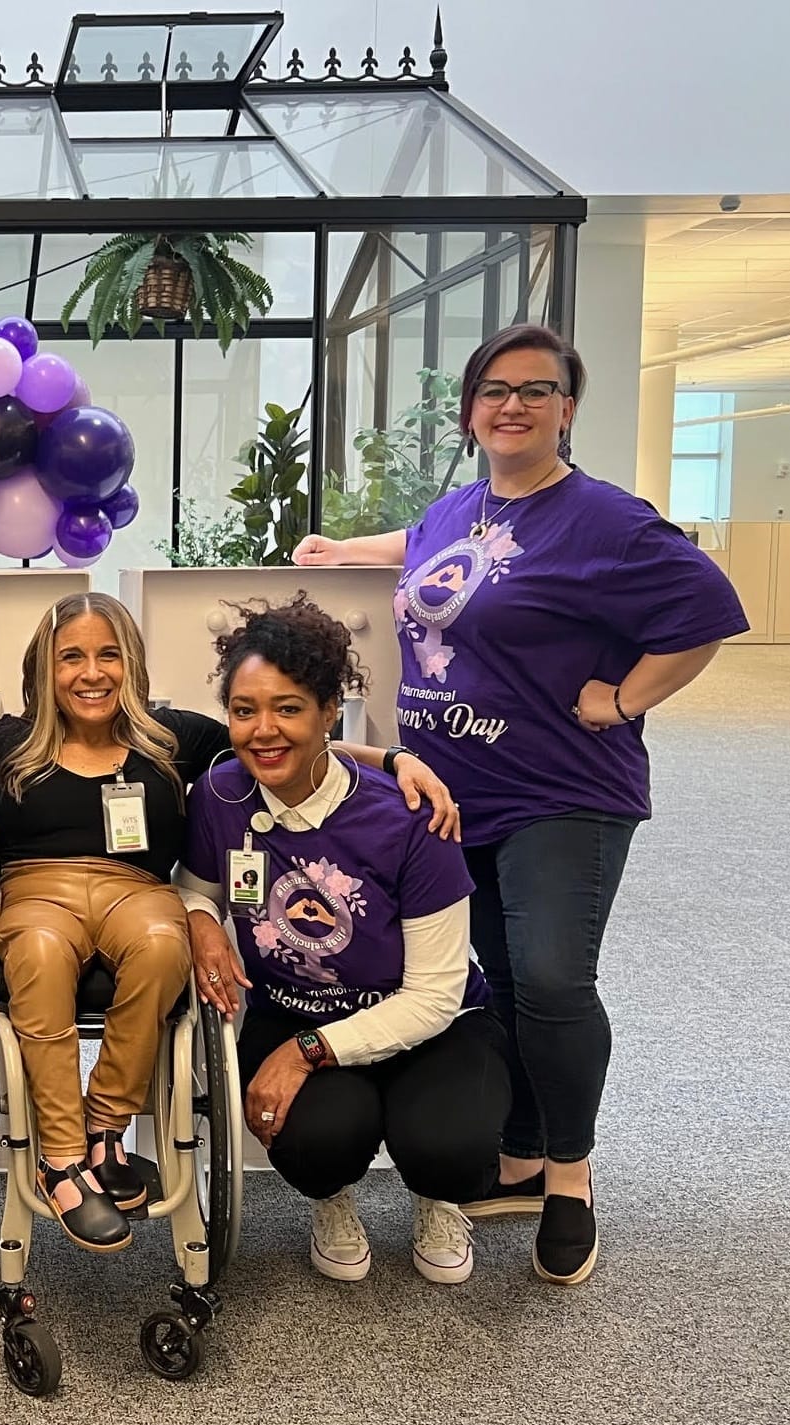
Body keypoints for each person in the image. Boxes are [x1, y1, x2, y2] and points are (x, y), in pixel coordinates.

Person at [294, 322, 747, 1284]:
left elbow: (709, 604)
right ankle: (521, 1150)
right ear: (469, 410)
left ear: (567, 409)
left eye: (536, 389)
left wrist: (624, 698)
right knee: (495, 980)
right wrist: (342, 548)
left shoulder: (608, 522)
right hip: (455, 796)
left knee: (548, 977)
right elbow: (421, 551)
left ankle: (571, 1178)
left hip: (562, 792)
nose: (512, 404)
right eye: (494, 389)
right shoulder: (455, 508)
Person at [0, 592, 460, 1252]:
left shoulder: (169, 736)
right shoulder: (7, 742)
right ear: (42, 669)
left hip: (136, 890)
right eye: (71, 657)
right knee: (41, 953)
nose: (91, 672)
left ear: (130, 664)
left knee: (164, 944)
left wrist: (393, 759)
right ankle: (61, 1155)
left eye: (108, 654)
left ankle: (104, 1130)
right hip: (36, 892)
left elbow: (278, 735)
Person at [181, 596, 509, 1285]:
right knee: (314, 1144)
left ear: (330, 708)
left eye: (287, 707)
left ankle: (436, 1198)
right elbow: (196, 886)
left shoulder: (410, 815)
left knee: (448, 1147)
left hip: (430, 1023)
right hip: (294, 1005)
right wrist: (202, 921)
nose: (262, 730)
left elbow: (434, 994)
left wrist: (306, 1054)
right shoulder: (220, 794)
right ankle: (331, 1198)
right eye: (243, 710)